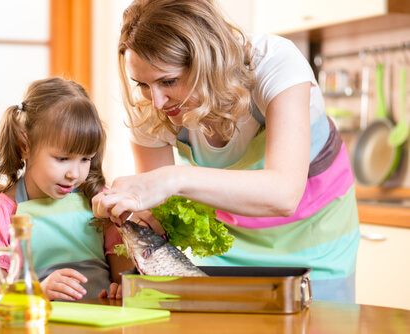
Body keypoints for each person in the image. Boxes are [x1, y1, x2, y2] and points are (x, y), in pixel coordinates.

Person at [92, 0, 360, 303]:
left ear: (208, 59)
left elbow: (284, 194)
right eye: (142, 84)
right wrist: (130, 217)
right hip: (226, 247)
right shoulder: (152, 106)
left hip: (314, 240)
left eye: (169, 81)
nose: (156, 101)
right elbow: (157, 217)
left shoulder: (274, 63)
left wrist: (171, 180)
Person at [0, 77, 132, 307]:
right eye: (62, 158)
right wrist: (38, 292)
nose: (74, 174)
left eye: (85, 159)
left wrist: (122, 289)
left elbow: (124, 280)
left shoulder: (100, 202)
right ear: (24, 146)